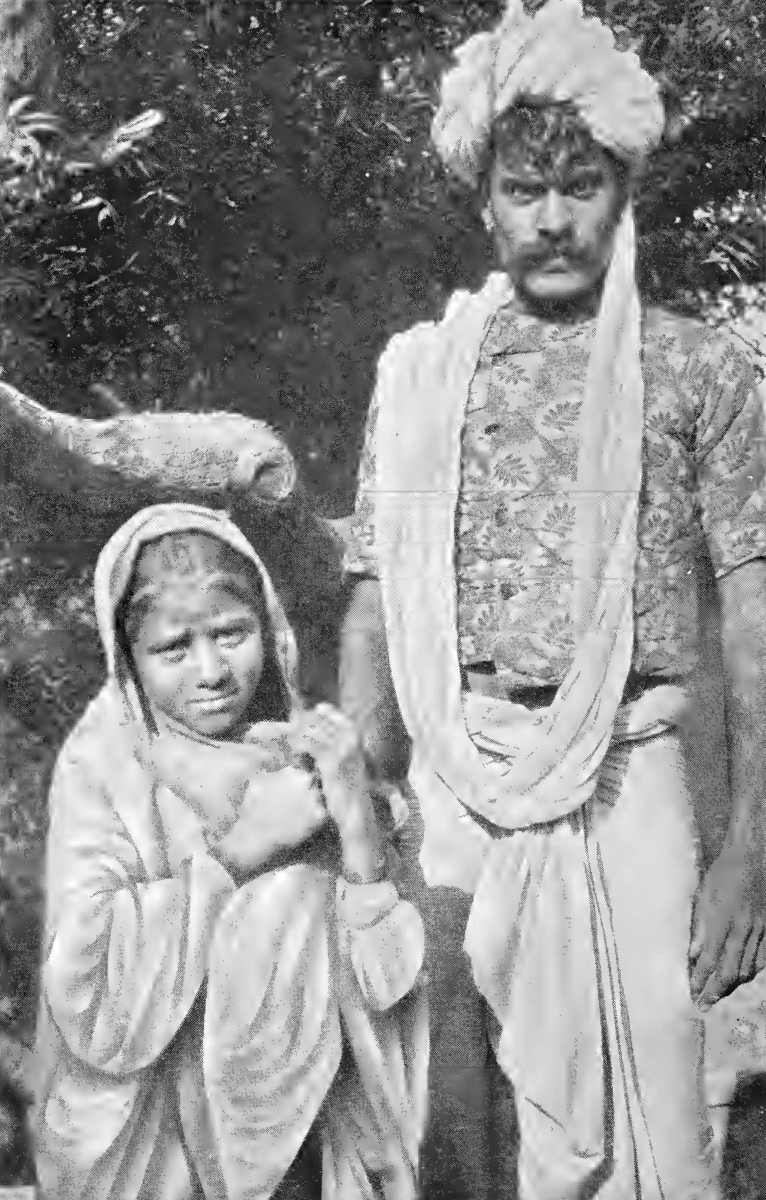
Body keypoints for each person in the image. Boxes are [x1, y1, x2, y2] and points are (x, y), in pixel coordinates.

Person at [340, 1, 766, 1197]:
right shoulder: (422, 376)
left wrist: (751, 848)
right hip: (458, 777)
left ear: (622, 190)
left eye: (580, 186)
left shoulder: (697, 368)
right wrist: (358, 807)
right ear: (484, 203)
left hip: (630, 769)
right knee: (443, 1091)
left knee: (666, 1072)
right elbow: (374, 601)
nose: (552, 218)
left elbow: (753, 616)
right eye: (523, 190)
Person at [34, 502, 427, 1200]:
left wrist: (356, 820)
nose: (211, 670)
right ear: (128, 658)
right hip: (156, 1131)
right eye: (174, 649)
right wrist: (244, 850)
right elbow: (87, 988)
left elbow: (387, 975)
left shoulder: (294, 745)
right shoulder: (104, 764)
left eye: (231, 634)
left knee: (302, 900)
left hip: (312, 1125)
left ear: (268, 628)